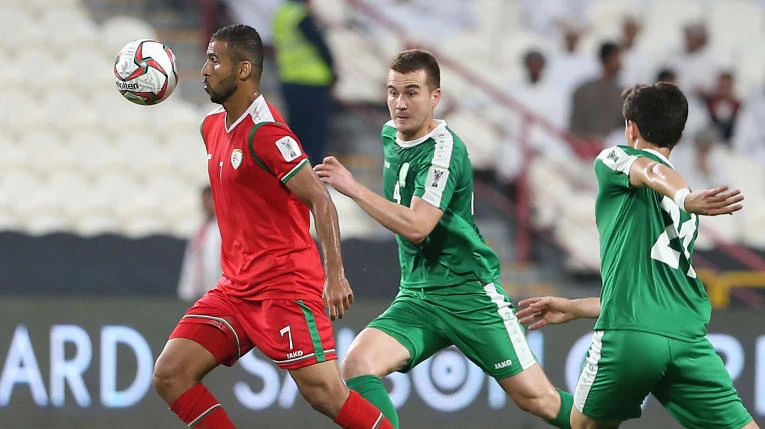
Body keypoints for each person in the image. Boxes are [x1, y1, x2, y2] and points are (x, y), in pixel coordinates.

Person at [314, 49, 574, 429]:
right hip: (418, 296)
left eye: (412, 92)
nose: (400, 104)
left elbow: (418, 226)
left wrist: (353, 188)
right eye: (392, 92)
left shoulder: (444, 150)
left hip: (468, 294)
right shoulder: (389, 135)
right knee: (357, 364)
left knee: (539, 401)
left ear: (435, 96)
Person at [151, 24, 394, 429]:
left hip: (285, 287)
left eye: (214, 60)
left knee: (326, 395)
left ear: (244, 69)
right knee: (170, 374)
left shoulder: (267, 134)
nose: (205, 69)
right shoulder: (211, 128)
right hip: (235, 288)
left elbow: (321, 200)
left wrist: (335, 275)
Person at [515, 82, 756, 429]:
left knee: (581, 424)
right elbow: (651, 292)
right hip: (687, 339)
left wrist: (685, 197)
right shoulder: (686, 208)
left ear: (631, 129)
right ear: (680, 136)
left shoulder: (617, 159)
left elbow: (649, 169)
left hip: (630, 335)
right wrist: (576, 307)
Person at [273, 0, 336, 164]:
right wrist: (332, 69)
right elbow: (320, 44)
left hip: (289, 79)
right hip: (312, 81)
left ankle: (295, 171)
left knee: (296, 133)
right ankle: (313, 173)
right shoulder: (300, 15)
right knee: (314, 135)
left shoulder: (281, 14)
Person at [177, 186, 222, 302]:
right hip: (199, 291)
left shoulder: (223, 229)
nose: (205, 205)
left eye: (209, 200)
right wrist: (187, 289)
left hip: (220, 289)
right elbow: (191, 260)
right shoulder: (200, 229)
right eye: (204, 200)